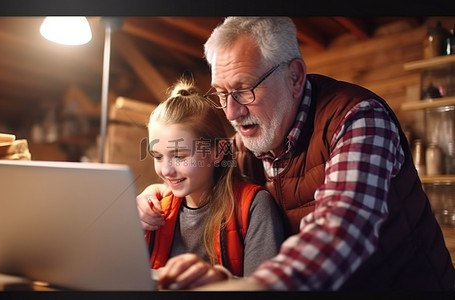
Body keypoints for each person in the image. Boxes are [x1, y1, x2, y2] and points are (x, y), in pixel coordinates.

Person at [137, 17, 455, 291]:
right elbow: (195, 166)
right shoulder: (244, 143)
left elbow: (340, 232)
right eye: (221, 93)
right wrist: (156, 194)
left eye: (245, 89)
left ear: (295, 77)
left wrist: (251, 287)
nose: (232, 111)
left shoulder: (359, 119)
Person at [144, 78, 286, 290]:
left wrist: (221, 281)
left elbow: (265, 287)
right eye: (158, 156)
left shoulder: (254, 206)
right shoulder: (154, 208)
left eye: (180, 156)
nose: (166, 170)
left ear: (218, 152)